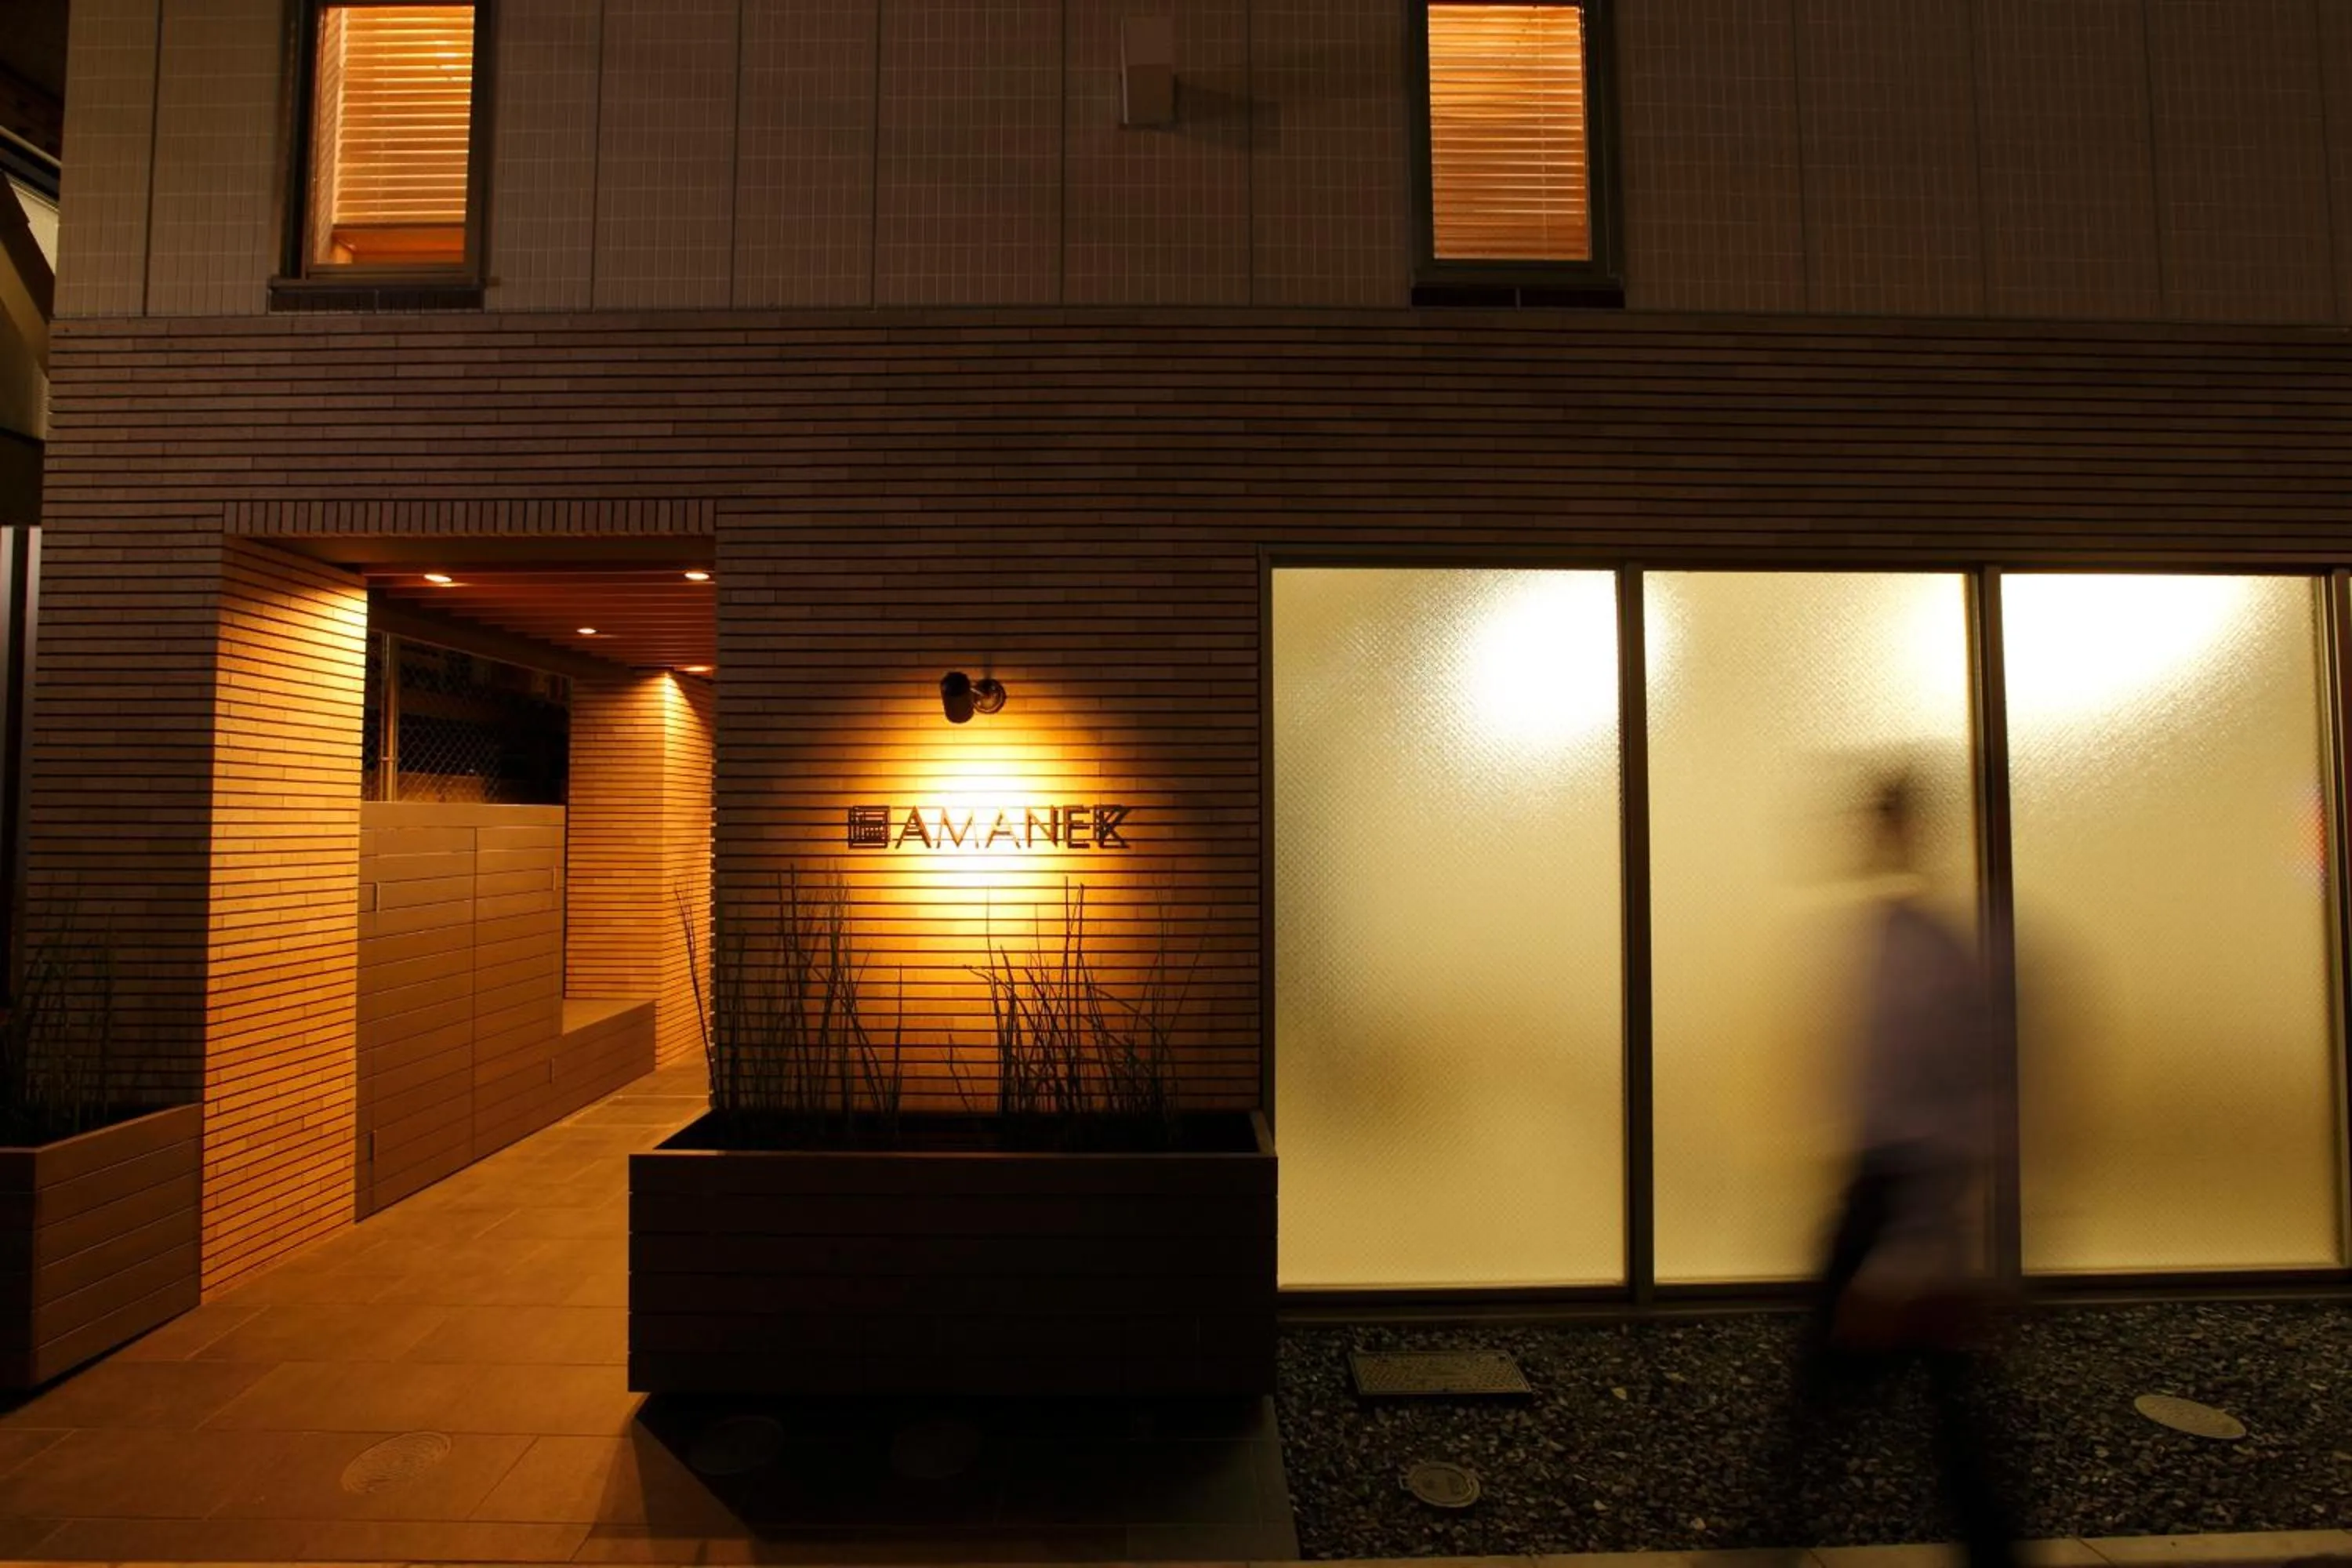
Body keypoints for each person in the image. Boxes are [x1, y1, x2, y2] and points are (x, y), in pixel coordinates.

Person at [1775, 768, 2019, 1568]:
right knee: (1919, 1400)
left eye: (1880, 822)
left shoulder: (1940, 952)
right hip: (1883, 1188)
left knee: (1846, 1391)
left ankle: (1773, 1535)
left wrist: (1913, 1242)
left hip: (1903, 1193)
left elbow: (1958, 1101)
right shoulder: (1891, 937)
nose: (1867, 837)